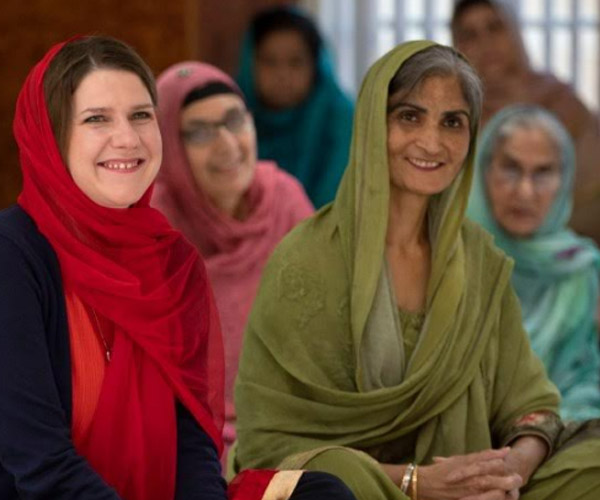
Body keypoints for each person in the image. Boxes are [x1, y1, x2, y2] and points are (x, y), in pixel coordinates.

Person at [0, 36, 355, 500]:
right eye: (96, 119)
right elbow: (43, 468)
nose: (127, 138)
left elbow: (190, 448)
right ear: (51, 137)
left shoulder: (170, 264)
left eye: (141, 115)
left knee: (320, 491)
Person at [234, 40, 600, 499]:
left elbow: (531, 406)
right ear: (373, 123)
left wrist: (508, 474)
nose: (431, 142)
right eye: (410, 116)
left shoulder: (478, 259)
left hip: (470, 485)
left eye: (452, 122)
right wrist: (418, 482)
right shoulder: (306, 260)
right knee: (333, 475)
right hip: (362, 489)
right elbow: (270, 442)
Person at [152, 61, 313, 455]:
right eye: (200, 132)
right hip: (189, 437)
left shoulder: (284, 201)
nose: (226, 144)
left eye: (234, 121)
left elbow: (326, 332)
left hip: (297, 424)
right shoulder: (153, 229)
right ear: (169, 146)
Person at [468, 104, 600, 421]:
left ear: (564, 180)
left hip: (559, 426)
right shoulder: (456, 257)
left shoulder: (577, 268)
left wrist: (544, 423)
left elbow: (585, 379)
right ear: (484, 171)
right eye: (510, 168)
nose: (525, 191)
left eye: (543, 173)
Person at [451, 0, 600, 244]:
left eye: (494, 28)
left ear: (514, 32)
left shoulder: (560, 100)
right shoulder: (456, 115)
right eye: (470, 35)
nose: (485, 43)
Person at [236, 6, 354, 208]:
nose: (282, 74)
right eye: (269, 62)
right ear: (249, 64)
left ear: (317, 66)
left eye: (296, 62)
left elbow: (333, 207)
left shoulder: (341, 119)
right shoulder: (231, 119)